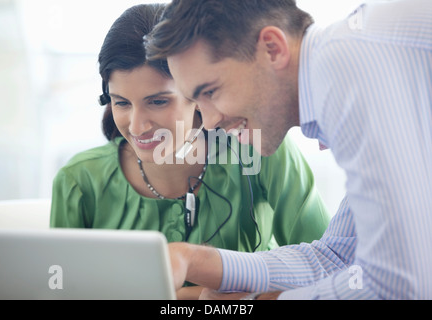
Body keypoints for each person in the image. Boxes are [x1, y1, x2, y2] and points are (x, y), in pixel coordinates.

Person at [145, 0, 432, 299]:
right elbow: (337, 257)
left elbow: (399, 285)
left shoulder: (346, 66)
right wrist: (193, 260)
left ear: (272, 48)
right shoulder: (342, 63)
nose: (210, 122)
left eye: (211, 92)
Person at [50, 3, 331, 299]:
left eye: (158, 101)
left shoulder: (259, 146)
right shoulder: (78, 180)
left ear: (196, 93)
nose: (137, 125)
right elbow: (59, 289)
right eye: (121, 102)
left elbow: (330, 265)